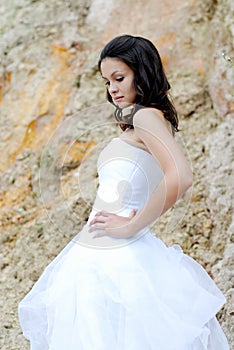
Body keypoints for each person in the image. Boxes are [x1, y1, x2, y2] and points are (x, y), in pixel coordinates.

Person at [18, 34, 229, 349]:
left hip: (116, 257)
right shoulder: (143, 121)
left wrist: (132, 224)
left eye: (119, 78)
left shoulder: (145, 117)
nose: (113, 88)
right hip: (99, 256)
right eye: (107, 82)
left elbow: (182, 176)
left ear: (142, 74)